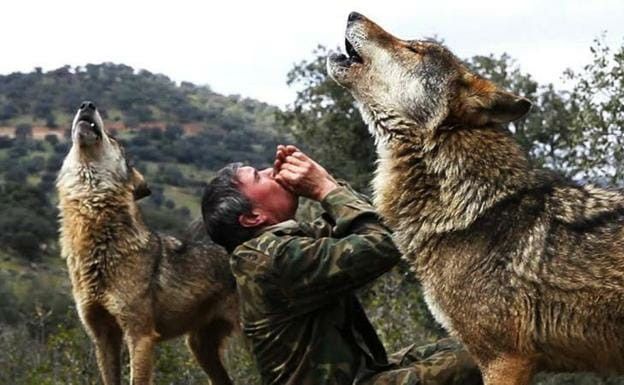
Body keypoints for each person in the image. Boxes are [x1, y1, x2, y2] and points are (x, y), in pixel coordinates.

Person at [201, 145, 482, 385]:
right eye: (257, 177)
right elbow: (383, 243)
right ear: (252, 218)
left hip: (361, 373)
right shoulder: (269, 259)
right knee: (487, 357)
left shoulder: (285, 243)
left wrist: (323, 179)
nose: (271, 172)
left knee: (483, 341)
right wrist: (324, 188)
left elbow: (360, 222)